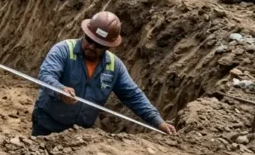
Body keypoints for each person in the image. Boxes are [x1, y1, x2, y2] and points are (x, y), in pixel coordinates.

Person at [32, 11, 178, 136]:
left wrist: (158, 122)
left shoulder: (114, 66)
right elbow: (46, 76)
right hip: (47, 125)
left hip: (79, 134)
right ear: (85, 33)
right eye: (89, 39)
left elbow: (133, 95)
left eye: (99, 45)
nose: (91, 46)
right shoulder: (63, 50)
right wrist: (60, 90)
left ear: (109, 46)